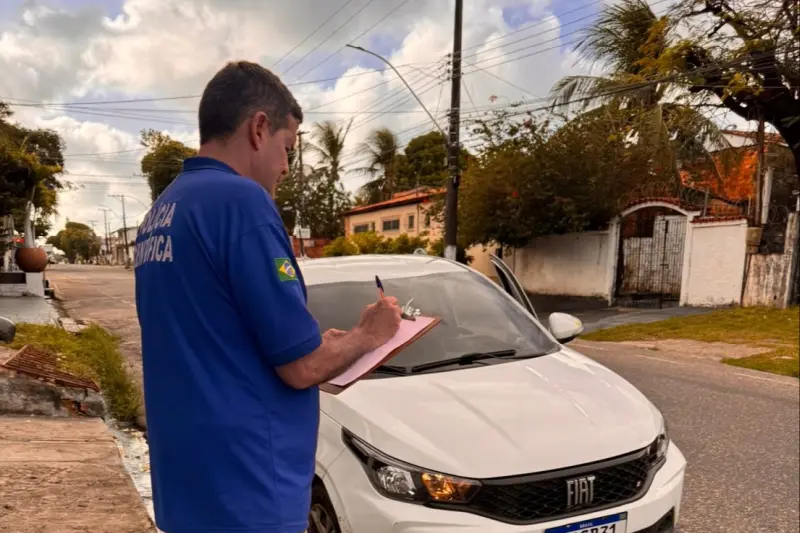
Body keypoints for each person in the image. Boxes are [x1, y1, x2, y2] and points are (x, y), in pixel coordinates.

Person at [134, 61, 402, 533]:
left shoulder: (162, 211)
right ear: (259, 128)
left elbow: (217, 336)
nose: (285, 167)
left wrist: (327, 344)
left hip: (188, 484)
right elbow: (301, 368)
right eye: (287, 149)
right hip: (248, 490)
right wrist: (368, 334)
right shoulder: (241, 202)